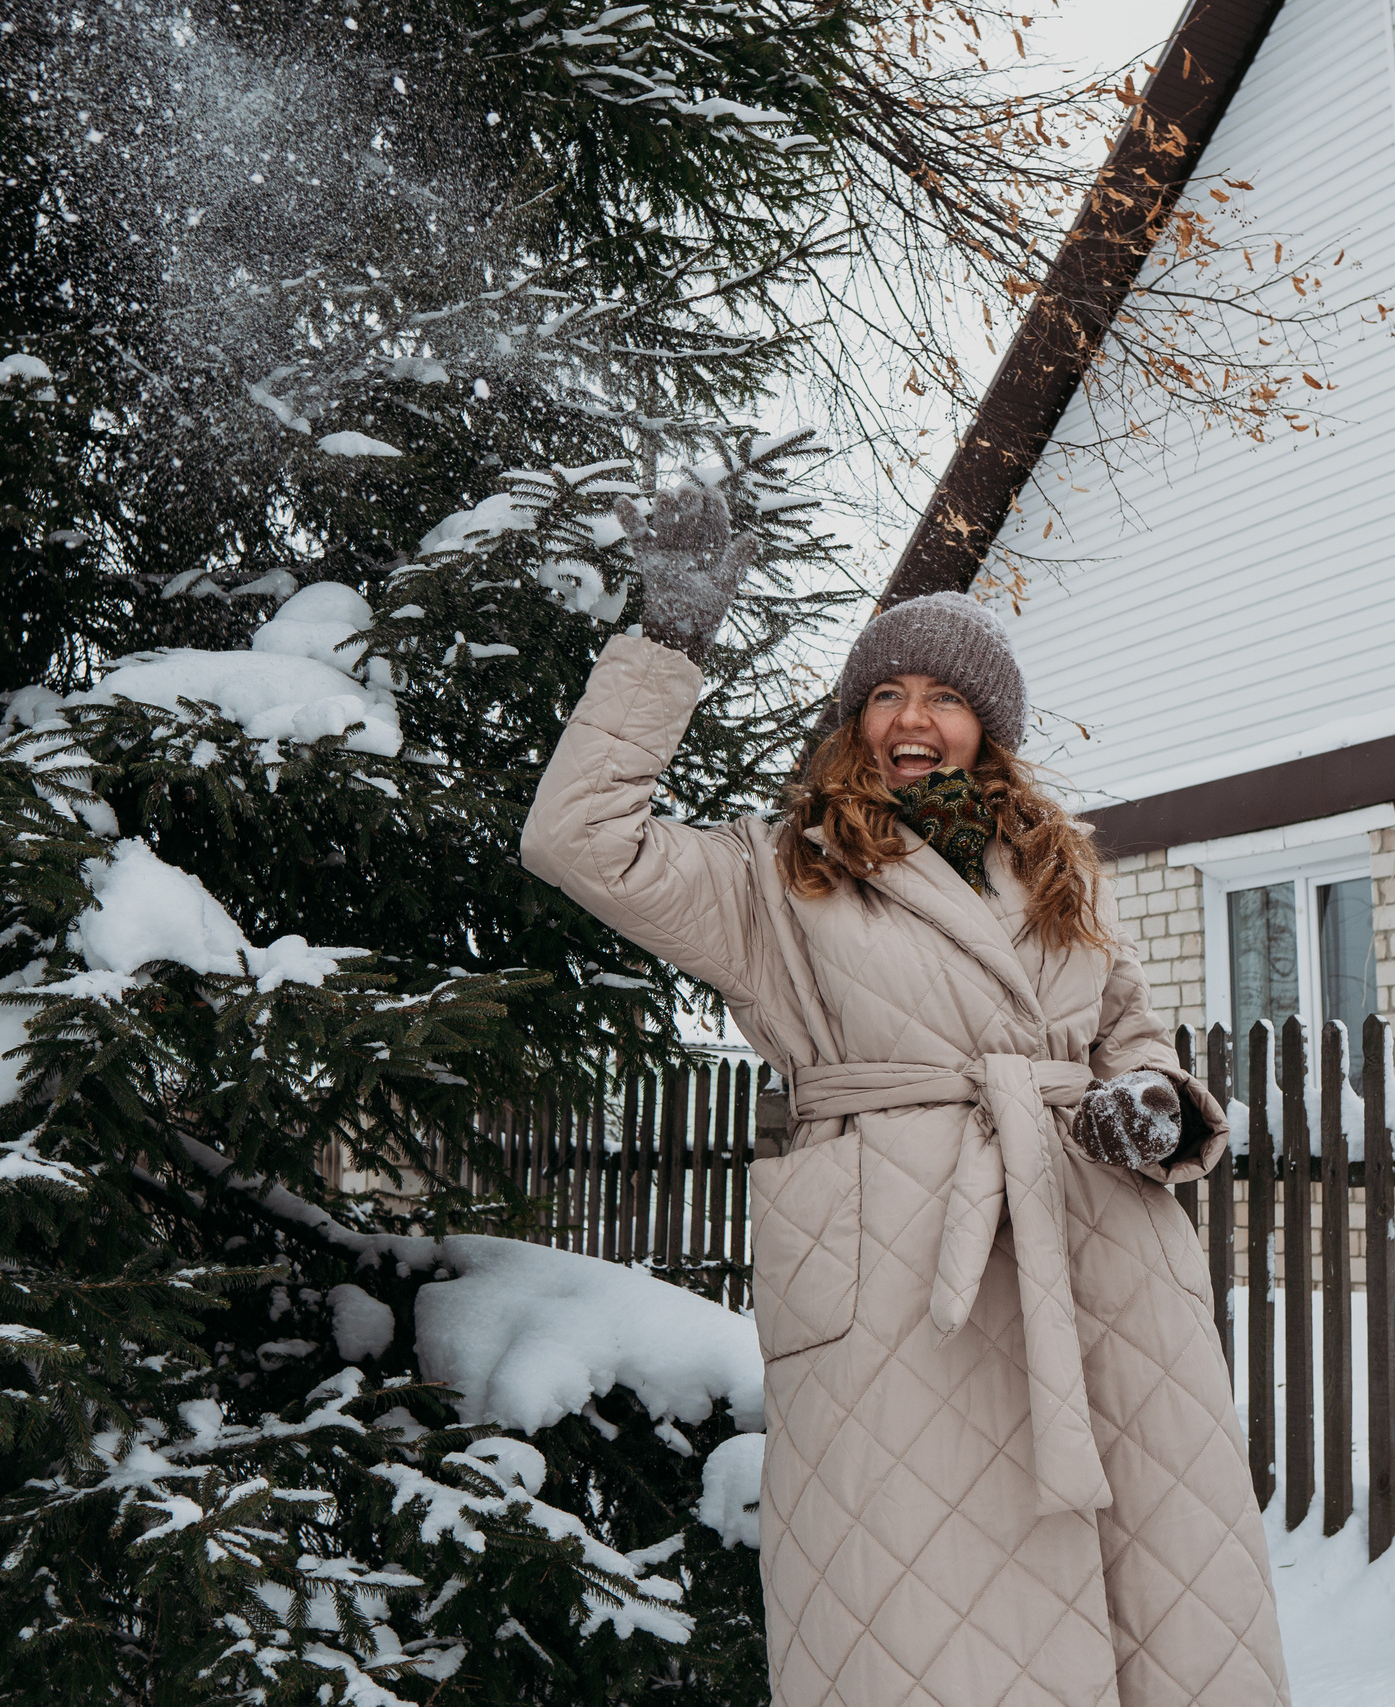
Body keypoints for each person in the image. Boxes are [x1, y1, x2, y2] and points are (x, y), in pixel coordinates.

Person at [519, 483, 1289, 1707]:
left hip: (1099, 1260)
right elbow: (578, 843)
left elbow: (1133, 1040)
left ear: (988, 727)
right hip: (899, 1274)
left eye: (944, 698)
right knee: (925, 1612)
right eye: (886, 694)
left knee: (1160, 1607)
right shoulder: (777, 875)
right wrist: (664, 646)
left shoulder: (1054, 874)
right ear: (853, 721)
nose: (912, 720)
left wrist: (1150, 1104)